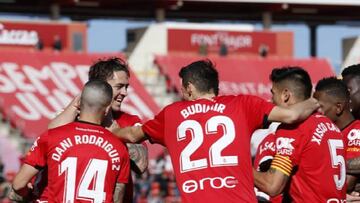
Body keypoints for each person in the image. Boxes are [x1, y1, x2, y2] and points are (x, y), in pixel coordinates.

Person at [112, 59, 319, 202]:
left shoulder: (172, 114)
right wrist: (317, 101)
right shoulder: (242, 105)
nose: (182, 94)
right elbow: (292, 115)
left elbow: (130, 134)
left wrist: (101, 129)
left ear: (190, 88)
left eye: (183, 89)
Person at [9, 80, 130, 203]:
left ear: (79, 103)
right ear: (107, 108)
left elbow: (19, 184)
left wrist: (27, 195)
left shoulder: (50, 137)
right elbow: (117, 197)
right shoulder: (119, 148)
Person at [48, 57, 148, 202]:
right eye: (119, 86)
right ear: (101, 86)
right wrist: (76, 106)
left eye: (126, 87)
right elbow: (47, 139)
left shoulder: (129, 121)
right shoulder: (71, 117)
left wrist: (113, 130)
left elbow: (142, 165)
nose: (125, 92)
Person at [253, 67, 346, 202]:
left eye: (273, 94)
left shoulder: (292, 129)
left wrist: (240, 166)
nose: (270, 100)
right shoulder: (330, 125)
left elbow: (272, 186)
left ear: (286, 95)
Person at [313, 77, 360, 202]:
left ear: (338, 107)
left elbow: (346, 183)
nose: (316, 113)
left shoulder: (356, 132)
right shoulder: (328, 134)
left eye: (320, 107)